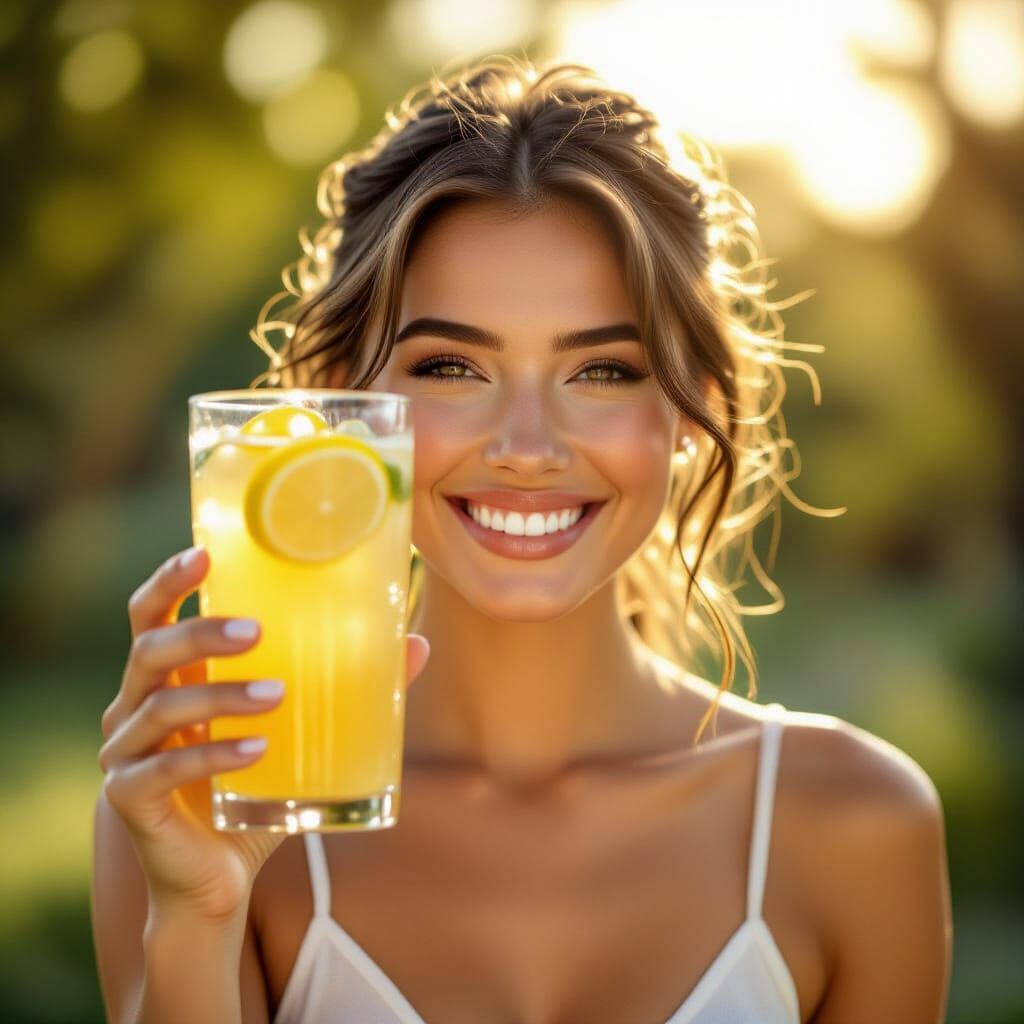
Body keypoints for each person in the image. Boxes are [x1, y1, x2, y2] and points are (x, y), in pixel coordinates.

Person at [91, 56, 952, 1023]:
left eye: (606, 371)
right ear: (337, 396)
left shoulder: (858, 824)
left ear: (693, 405)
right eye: (453, 365)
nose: (529, 450)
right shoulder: (196, 810)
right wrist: (201, 916)